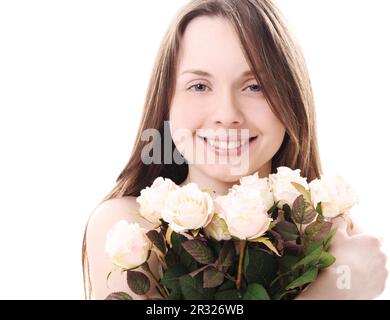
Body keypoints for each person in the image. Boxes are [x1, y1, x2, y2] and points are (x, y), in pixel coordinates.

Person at [82, 0, 387, 300]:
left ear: (290, 99)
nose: (227, 114)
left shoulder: (333, 236)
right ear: (166, 103)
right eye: (199, 86)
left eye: (255, 86)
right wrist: (330, 292)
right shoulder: (129, 233)